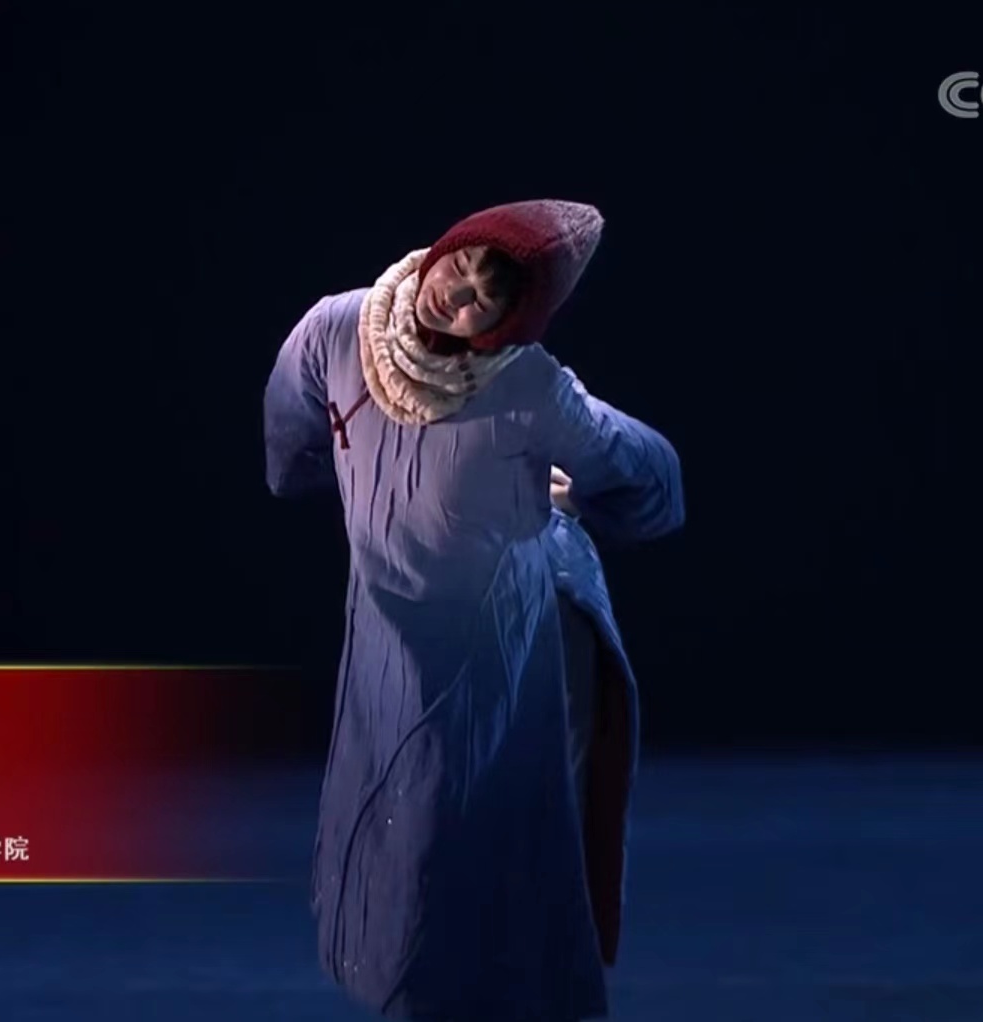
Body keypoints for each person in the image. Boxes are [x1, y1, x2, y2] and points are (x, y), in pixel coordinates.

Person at [263, 199, 685, 1022]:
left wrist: (579, 504)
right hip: (388, 622)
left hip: (500, 637)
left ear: (508, 323)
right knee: (389, 814)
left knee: (468, 825)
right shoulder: (337, 328)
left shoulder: (528, 385)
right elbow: (290, 444)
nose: (453, 295)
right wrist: (351, 487)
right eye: (459, 266)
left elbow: (649, 473)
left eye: (483, 299)